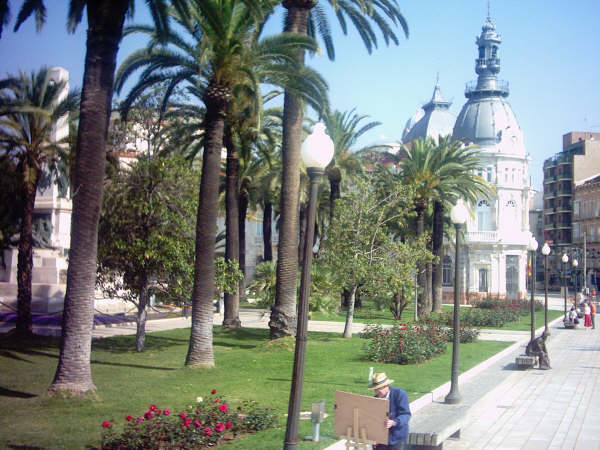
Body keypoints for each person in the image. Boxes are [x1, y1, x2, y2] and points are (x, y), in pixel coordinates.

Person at [368, 372, 411, 449]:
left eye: (378, 389)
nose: (376, 392)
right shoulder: (375, 399)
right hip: (380, 439)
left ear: (386, 386)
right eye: (375, 389)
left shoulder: (400, 394)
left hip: (397, 437)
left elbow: (406, 414)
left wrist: (394, 422)